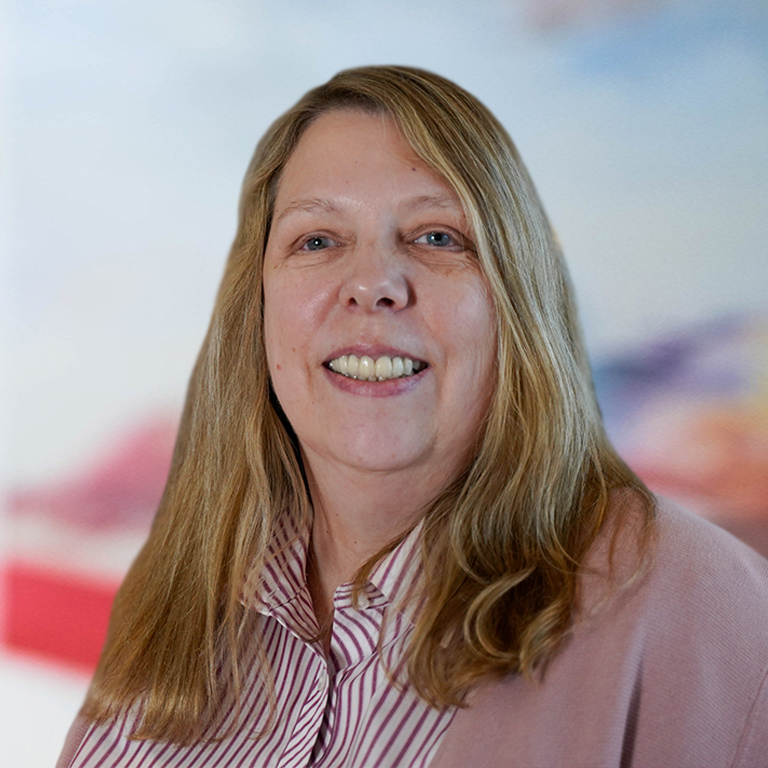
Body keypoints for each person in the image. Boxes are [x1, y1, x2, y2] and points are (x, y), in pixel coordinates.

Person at [58, 66, 768, 768]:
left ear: (516, 300)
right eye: (317, 240)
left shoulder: (702, 607)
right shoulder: (178, 608)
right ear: (258, 306)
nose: (372, 284)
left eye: (437, 237)